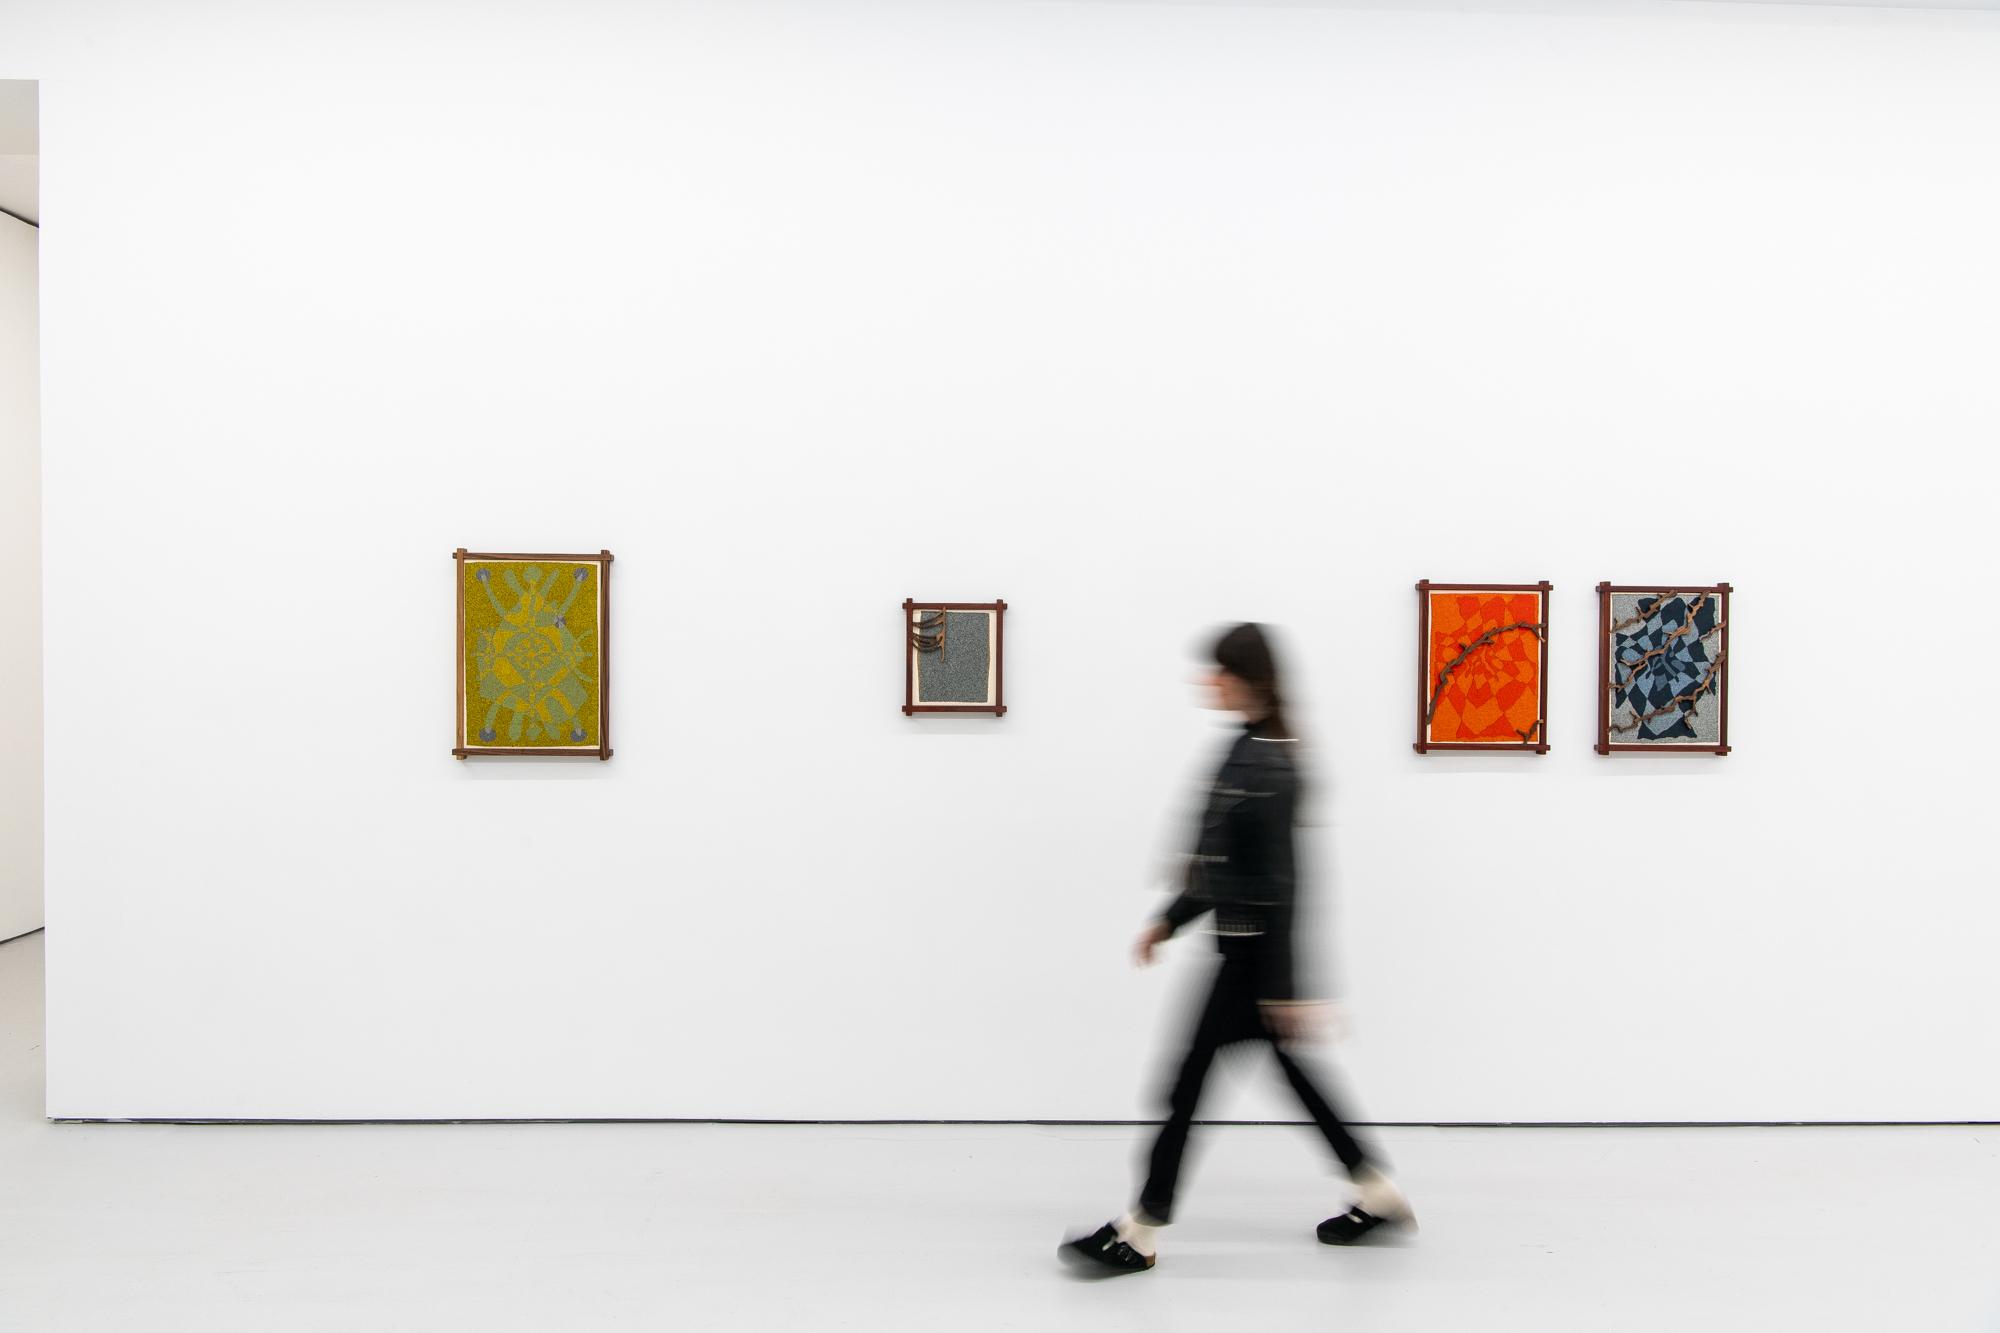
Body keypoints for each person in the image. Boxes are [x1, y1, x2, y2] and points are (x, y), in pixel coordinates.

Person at [1059, 623, 1414, 1277]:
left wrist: (1283, 988)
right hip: (1246, 956)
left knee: (1185, 1087)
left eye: (1219, 670)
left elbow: (1283, 884)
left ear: (1248, 679)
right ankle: (1377, 1193)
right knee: (1288, 1080)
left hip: (1251, 962)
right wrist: (1169, 920)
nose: (1208, 681)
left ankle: (1140, 1230)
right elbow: (1223, 865)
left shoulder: (1270, 764)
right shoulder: (1248, 748)